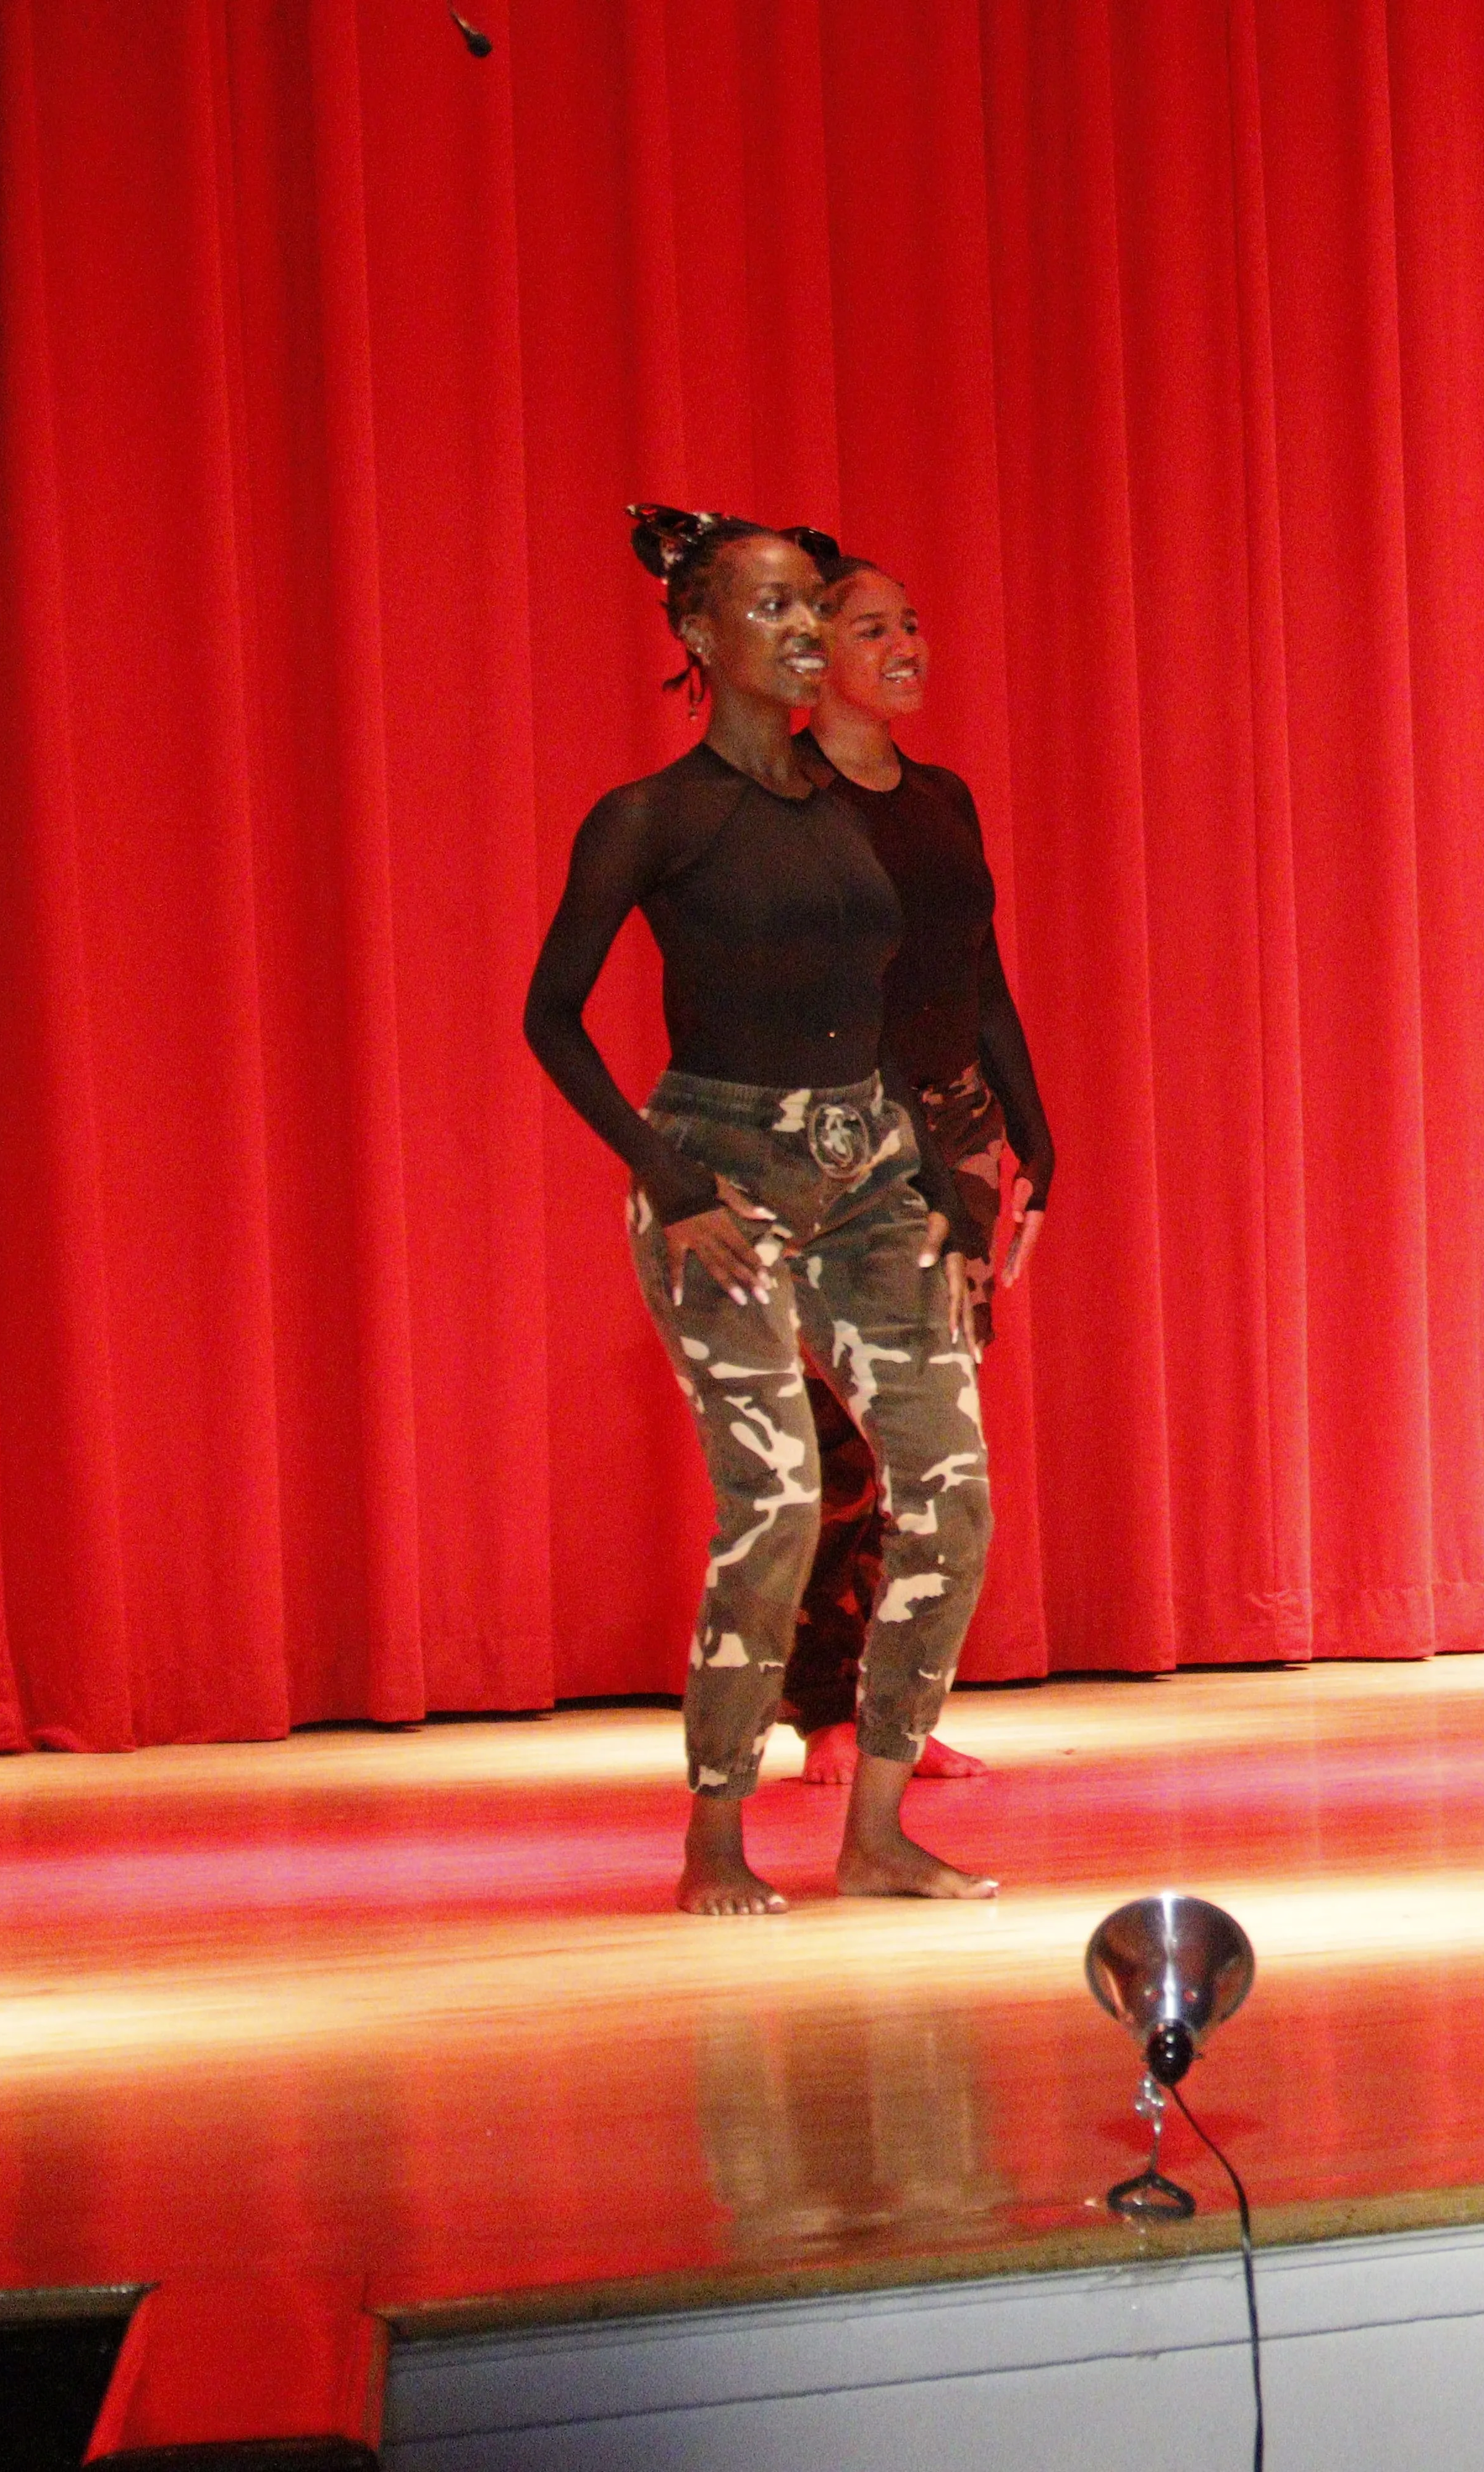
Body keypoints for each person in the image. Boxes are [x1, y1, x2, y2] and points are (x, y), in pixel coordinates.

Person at [522, 506, 995, 1913]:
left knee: (953, 1495)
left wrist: (944, 1175)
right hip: (721, 1176)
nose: (804, 631)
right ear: (698, 634)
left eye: (812, 608)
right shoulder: (654, 817)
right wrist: (666, 1179)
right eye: (774, 608)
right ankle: (715, 1835)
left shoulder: (842, 805)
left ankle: (879, 1829)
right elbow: (550, 1017)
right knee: (778, 1500)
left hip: (875, 1171)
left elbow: (902, 998)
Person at [783, 554, 1056, 1785]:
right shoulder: (786, 800)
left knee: (933, 1439)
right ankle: (824, 1705)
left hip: (959, 1129)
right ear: (814, 653)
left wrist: (1031, 1123)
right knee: (846, 1439)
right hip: (842, 1144)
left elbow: (977, 971)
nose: (905, 646)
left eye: (911, 622)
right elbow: (831, 1000)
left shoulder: (943, 796)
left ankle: (899, 1705)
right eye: (872, 628)